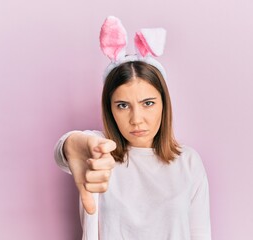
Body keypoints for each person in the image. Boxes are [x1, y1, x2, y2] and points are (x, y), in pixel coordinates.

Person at [54, 16, 211, 240]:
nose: (136, 119)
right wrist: (72, 145)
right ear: (110, 110)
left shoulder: (189, 162)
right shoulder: (99, 153)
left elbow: (200, 234)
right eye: (123, 105)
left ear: (164, 104)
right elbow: (68, 149)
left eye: (148, 103)